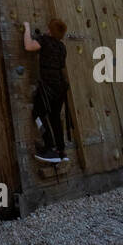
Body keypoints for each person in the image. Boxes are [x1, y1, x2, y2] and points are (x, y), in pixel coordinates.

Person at [23, 18, 71, 163]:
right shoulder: (62, 47)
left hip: (48, 87)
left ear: (50, 30)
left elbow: (29, 46)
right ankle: (61, 151)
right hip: (61, 88)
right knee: (55, 116)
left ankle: (50, 147)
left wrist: (27, 28)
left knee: (37, 114)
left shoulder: (44, 40)